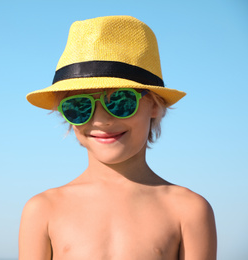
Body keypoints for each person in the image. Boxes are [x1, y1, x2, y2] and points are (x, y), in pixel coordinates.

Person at [19, 16, 217, 260]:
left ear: (155, 105)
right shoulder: (42, 210)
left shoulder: (189, 210)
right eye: (80, 106)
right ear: (66, 115)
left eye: (121, 101)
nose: (101, 120)